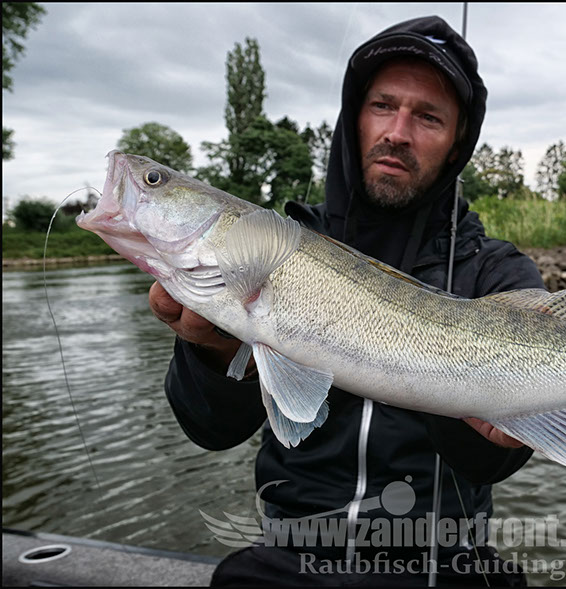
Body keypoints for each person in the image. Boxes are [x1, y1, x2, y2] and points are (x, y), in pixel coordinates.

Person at [150, 15, 545, 586]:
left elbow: (494, 460)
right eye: (383, 105)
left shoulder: (496, 272)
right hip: (290, 555)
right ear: (353, 118)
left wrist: (465, 405)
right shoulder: (271, 246)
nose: (399, 132)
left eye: (428, 116)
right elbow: (209, 430)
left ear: (457, 142)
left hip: (441, 562)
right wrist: (214, 354)